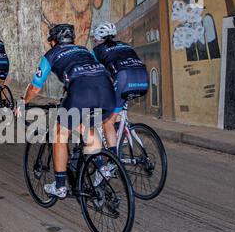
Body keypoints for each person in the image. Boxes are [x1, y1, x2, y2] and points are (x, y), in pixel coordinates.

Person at [16, 24, 116, 199]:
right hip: (107, 92)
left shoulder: (51, 55)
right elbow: (90, 73)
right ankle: (102, 167)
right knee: (85, 127)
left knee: (59, 134)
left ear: (54, 41)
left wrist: (22, 102)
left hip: (82, 94)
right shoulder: (84, 50)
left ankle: (60, 186)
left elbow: (35, 88)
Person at [91, 22, 149, 156]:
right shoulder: (126, 45)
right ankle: (122, 131)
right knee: (118, 106)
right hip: (144, 78)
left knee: (107, 121)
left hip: (124, 79)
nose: (94, 40)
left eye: (95, 38)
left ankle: (113, 159)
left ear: (100, 38)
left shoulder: (97, 51)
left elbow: (96, 74)